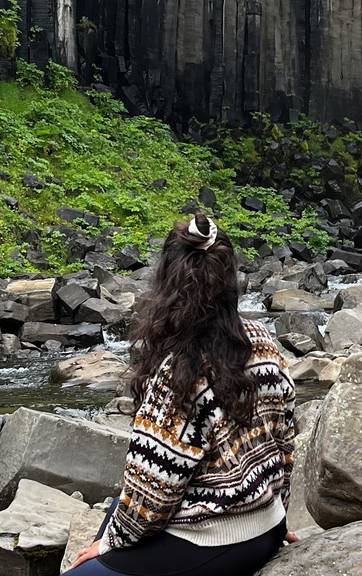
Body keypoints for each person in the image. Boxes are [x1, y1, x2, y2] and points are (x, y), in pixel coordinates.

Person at [63, 214, 298, 576]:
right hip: (267, 525)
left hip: (214, 542)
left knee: (85, 568)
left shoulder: (181, 370)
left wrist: (109, 544)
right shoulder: (262, 340)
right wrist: (278, 518)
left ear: (167, 283)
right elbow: (285, 441)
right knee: (113, 512)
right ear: (229, 280)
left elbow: (155, 489)